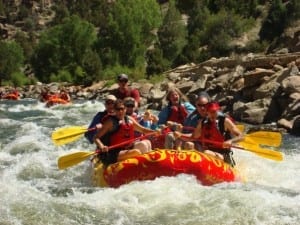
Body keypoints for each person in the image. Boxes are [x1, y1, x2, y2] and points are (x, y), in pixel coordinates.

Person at [94, 99, 159, 166]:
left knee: (146, 143)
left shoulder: (129, 119)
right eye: (118, 109)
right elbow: (96, 138)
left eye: (122, 109)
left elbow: (143, 130)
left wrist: (155, 132)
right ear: (114, 110)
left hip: (126, 148)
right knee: (136, 152)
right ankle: (142, 166)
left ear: (125, 109)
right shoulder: (110, 122)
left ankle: (149, 165)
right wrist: (102, 146)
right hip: (113, 152)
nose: (120, 111)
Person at [187, 102, 243, 167]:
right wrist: (179, 134)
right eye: (210, 112)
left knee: (206, 152)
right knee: (188, 145)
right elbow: (193, 137)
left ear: (218, 111)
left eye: (214, 111)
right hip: (209, 152)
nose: (213, 114)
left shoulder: (225, 121)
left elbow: (241, 136)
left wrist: (231, 141)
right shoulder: (202, 122)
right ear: (207, 112)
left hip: (223, 154)